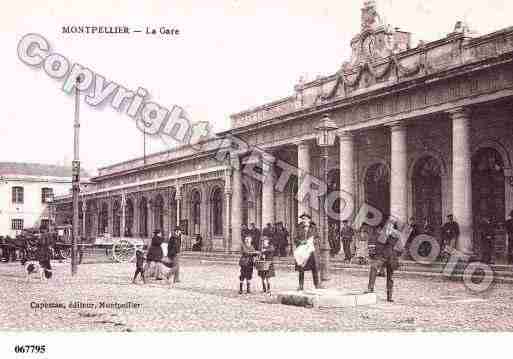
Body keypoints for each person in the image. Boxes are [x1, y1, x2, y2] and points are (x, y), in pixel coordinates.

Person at [365, 219, 402, 302]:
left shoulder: (396, 236)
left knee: (390, 277)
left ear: (393, 227)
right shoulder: (382, 235)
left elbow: (400, 248)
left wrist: (396, 255)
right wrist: (375, 254)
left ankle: (389, 296)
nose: (388, 227)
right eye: (387, 225)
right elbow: (377, 245)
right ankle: (370, 288)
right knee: (373, 267)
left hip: (392, 258)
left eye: (390, 226)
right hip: (382, 257)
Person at [294, 213, 320, 291]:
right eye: (302, 219)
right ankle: (301, 285)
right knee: (301, 269)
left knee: (314, 268)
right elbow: (295, 238)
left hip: (311, 251)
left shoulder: (314, 228)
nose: (304, 220)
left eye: (305, 219)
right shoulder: (298, 228)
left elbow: (318, 238)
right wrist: (300, 242)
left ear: (309, 220)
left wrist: (312, 241)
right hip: (302, 251)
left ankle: (316, 284)